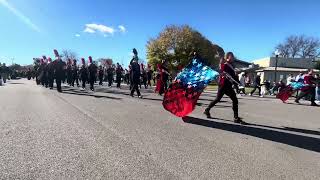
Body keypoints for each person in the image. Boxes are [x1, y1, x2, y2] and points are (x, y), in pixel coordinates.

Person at [204, 52, 244, 124]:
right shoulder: (225, 65)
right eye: (231, 56)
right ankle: (207, 109)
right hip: (223, 85)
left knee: (234, 100)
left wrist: (238, 83)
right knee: (217, 99)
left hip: (228, 86)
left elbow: (234, 77)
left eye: (233, 56)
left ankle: (236, 118)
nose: (233, 58)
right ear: (227, 57)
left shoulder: (231, 66)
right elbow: (220, 70)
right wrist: (221, 66)